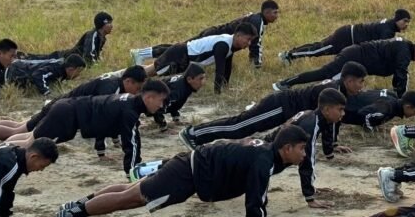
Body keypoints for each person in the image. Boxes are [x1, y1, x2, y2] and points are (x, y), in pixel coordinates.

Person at [52, 125, 309, 217]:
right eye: (302, 148)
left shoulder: (268, 154)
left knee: (132, 190)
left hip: (190, 164)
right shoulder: (263, 161)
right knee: (131, 199)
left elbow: (259, 197)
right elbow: (254, 201)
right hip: (187, 174)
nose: (304, 154)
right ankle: (72, 213)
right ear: (286, 148)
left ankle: (75, 208)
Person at [178, 61, 367, 148]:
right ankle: (194, 133)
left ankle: (198, 135)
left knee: (240, 127)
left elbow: (330, 122)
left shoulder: (339, 92)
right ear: (349, 80)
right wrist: (330, 146)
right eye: (360, 81)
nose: (362, 86)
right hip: (279, 105)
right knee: (239, 126)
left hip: (284, 110)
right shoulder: (332, 91)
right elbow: (326, 120)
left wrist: (332, 145)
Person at [4, 80, 169, 176]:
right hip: (66, 113)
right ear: (149, 97)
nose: (161, 105)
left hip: (67, 110)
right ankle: (1, 154)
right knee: (30, 143)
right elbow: (130, 143)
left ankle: (0, 149)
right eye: (160, 101)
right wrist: (132, 172)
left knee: (28, 139)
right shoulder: (130, 111)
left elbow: (130, 137)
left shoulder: (131, 102)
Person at [0, 66, 148, 148]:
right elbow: (98, 113)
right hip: (62, 108)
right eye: (136, 89)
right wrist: (102, 147)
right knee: (24, 131)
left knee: (20, 127)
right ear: (129, 81)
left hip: (62, 104)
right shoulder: (111, 88)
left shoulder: (113, 82)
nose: (134, 94)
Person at [130, 0, 280, 68]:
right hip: (213, 36)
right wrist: (257, 65)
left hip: (215, 34)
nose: (277, 16)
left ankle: (142, 53)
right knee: (179, 49)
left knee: (180, 48)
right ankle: (141, 53)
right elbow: (255, 45)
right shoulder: (257, 21)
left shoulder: (257, 18)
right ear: (266, 12)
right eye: (275, 13)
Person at [266, 88, 347, 207]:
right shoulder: (311, 125)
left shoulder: (316, 116)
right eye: (340, 109)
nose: (343, 113)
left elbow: (328, 129)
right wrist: (310, 197)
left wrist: (330, 151)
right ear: (327, 110)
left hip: (275, 148)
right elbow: (307, 161)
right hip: (268, 153)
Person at [273, 38, 415, 96]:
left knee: (329, 79)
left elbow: (400, 74)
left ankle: (287, 83)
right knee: (325, 76)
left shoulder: (404, 47)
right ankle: (286, 83)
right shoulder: (404, 52)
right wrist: (401, 97)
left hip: (356, 55)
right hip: (353, 57)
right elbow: (401, 74)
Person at [147, 23, 258, 93]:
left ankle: (132, 73)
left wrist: (225, 86)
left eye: (251, 41)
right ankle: (132, 75)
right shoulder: (223, 45)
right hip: (180, 54)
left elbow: (227, 68)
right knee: (152, 72)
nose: (249, 43)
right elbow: (219, 70)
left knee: (152, 71)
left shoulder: (231, 44)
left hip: (185, 58)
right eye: (248, 39)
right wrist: (218, 92)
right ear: (238, 35)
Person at [278, 9, 412, 64]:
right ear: (397, 19)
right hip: (346, 36)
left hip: (349, 36)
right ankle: (289, 55)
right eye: (404, 21)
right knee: (319, 50)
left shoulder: (389, 25)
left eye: (408, 22)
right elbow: (380, 49)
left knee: (318, 46)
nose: (406, 25)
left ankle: (291, 54)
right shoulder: (387, 30)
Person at [22, 11, 113, 64]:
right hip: (63, 58)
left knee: (41, 59)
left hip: (67, 58)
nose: (111, 26)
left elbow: (96, 55)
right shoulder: (93, 35)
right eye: (109, 23)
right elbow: (89, 57)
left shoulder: (102, 38)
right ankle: (21, 58)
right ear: (103, 24)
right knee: (40, 60)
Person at [1, 54, 86, 96]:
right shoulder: (56, 69)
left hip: (18, 65)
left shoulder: (61, 67)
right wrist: (46, 91)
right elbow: (37, 75)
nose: (78, 75)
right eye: (78, 71)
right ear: (70, 69)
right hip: (14, 72)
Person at [153, 64, 206, 130]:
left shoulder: (185, 85)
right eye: (200, 78)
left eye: (204, 78)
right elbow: (159, 106)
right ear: (189, 79)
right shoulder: (179, 89)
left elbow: (177, 102)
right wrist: (163, 127)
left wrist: (176, 117)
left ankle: (175, 117)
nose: (203, 82)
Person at [344, 89, 415, 133]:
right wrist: (370, 131)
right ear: (408, 107)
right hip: (344, 108)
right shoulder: (387, 108)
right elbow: (365, 114)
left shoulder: (392, 97)